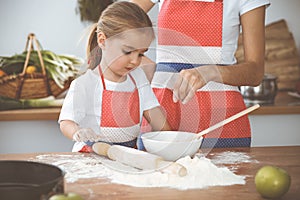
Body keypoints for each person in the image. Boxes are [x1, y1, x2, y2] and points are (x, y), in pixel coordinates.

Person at [132, 0, 270, 148]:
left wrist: (210, 72)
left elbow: (255, 73)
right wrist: (155, 70)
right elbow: (114, 29)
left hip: (221, 117)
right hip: (163, 112)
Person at [58, 1, 170, 152]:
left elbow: (155, 114)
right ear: (102, 41)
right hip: (91, 158)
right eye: (128, 51)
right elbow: (66, 122)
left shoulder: (138, 79)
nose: (135, 61)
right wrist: (77, 132)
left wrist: (174, 140)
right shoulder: (85, 84)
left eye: (141, 54)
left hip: (127, 155)